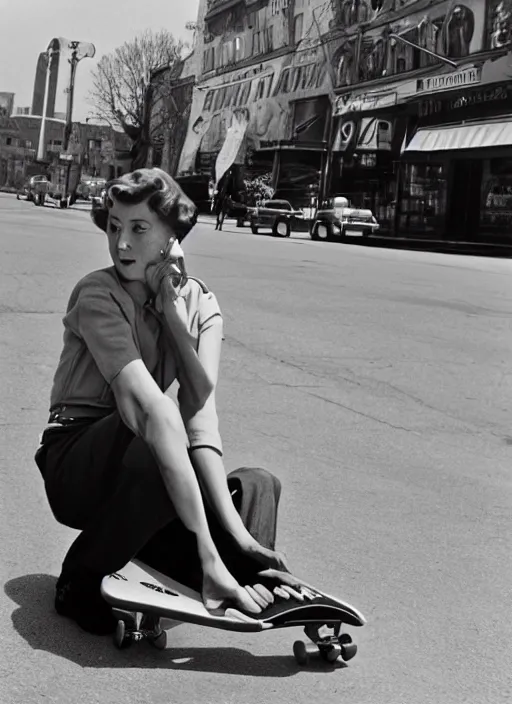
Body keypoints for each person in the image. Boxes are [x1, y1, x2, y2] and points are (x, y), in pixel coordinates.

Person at [35, 168, 288, 636]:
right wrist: (210, 546)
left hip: (146, 459)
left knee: (257, 485)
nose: (121, 244)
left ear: (174, 238)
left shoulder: (200, 305)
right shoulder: (98, 294)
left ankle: (234, 568)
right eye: (114, 226)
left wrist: (239, 535)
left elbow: (200, 420)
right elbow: (149, 410)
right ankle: (83, 577)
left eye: (138, 229)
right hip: (77, 460)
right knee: (159, 434)